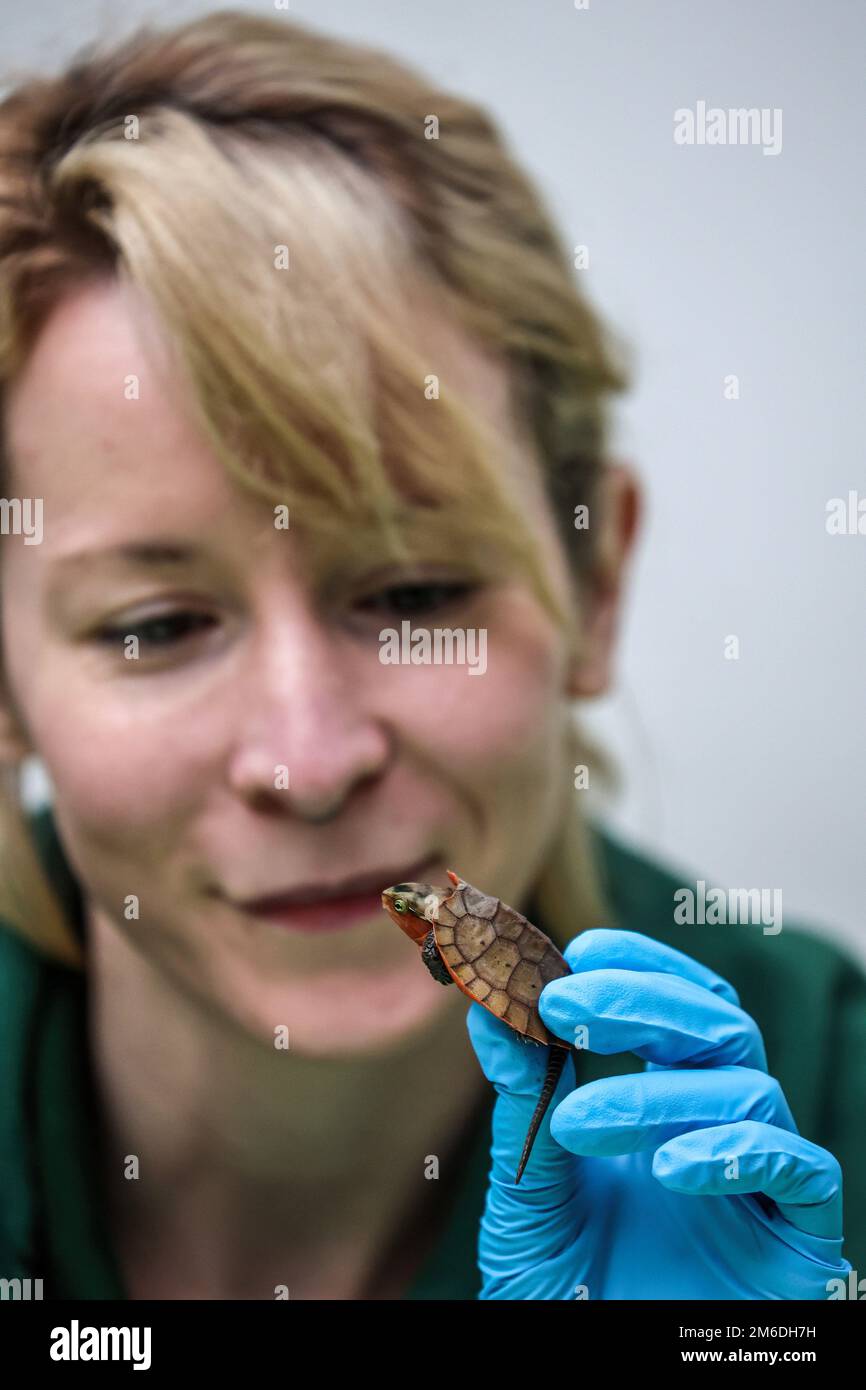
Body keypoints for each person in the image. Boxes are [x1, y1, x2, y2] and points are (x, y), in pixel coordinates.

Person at [0, 10, 862, 1301]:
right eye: (154, 626)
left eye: (412, 592)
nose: (308, 761)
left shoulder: (820, 1100)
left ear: (597, 578)